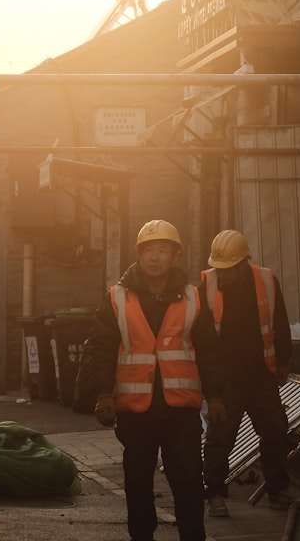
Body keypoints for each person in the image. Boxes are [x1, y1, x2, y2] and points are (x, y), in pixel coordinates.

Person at [75, 220, 222, 541]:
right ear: (140, 256)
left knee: (188, 482)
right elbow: (100, 349)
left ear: (175, 257)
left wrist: (217, 396)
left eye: (162, 251)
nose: (155, 257)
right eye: (149, 251)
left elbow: (209, 350)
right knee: (138, 483)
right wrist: (103, 394)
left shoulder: (193, 298)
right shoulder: (116, 298)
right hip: (135, 410)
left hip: (181, 411)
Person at [201, 229, 296, 517]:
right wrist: (211, 390)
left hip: (260, 375)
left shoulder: (266, 280)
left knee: (275, 431)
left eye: (228, 269)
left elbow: (280, 319)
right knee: (220, 437)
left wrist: (283, 361)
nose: (223, 275)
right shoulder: (206, 286)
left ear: (244, 263)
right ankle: (215, 494)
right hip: (225, 379)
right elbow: (203, 340)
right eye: (219, 268)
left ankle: (277, 490)